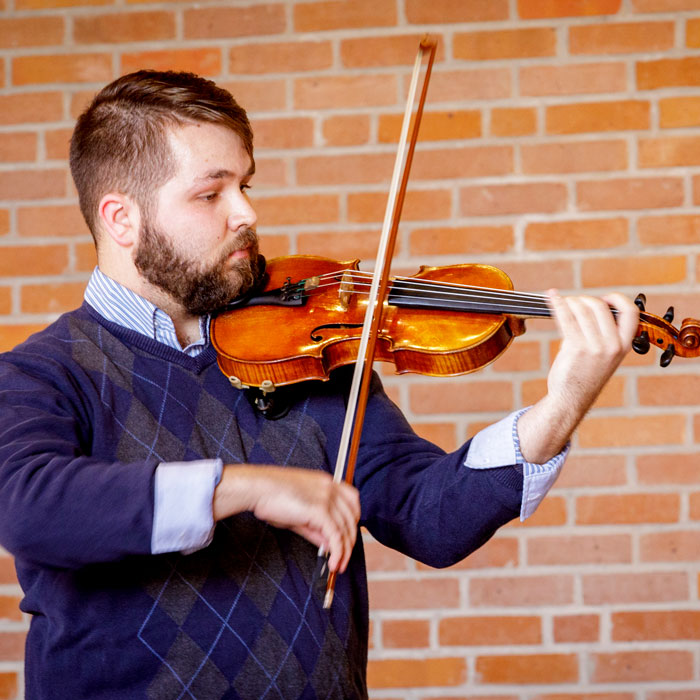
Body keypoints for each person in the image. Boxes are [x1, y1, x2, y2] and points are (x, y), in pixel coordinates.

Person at [0, 70, 639, 700]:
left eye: (245, 184)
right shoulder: (43, 373)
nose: (246, 213)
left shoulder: (306, 349)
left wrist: (561, 408)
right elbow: (26, 505)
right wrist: (242, 486)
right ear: (122, 219)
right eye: (210, 194)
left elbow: (430, 518)